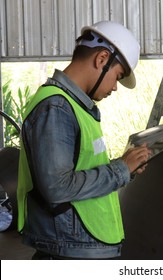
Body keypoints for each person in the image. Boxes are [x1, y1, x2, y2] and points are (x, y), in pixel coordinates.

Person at [16, 21, 151, 259]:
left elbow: (80, 168)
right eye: (118, 77)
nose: (115, 88)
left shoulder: (74, 107)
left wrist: (125, 168)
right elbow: (57, 187)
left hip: (81, 247)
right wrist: (119, 169)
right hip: (70, 252)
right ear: (101, 59)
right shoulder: (56, 106)